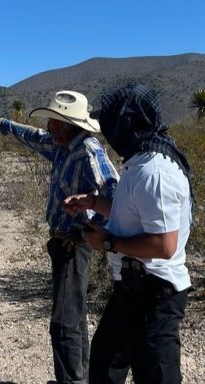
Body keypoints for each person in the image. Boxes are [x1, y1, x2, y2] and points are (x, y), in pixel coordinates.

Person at [0, 91, 119, 384]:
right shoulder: (61, 147)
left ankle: (71, 381)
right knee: (74, 316)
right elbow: (32, 136)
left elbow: (116, 196)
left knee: (63, 322)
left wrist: (88, 233)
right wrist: (4, 124)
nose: (48, 126)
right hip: (62, 242)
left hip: (74, 244)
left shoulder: (89, 152)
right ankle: (80, 378)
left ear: (67, 126)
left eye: (54, 122)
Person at [62, 84, 193, 384]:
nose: (107, 132)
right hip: (132, 287)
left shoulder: (154, 172)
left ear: (127, 125)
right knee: (105, 364)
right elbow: (132, 212)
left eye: (111, 124)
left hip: (155, 293)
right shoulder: (141, 163)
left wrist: (108, 242)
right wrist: (93, 202)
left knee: (155, 375)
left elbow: (164, 244)